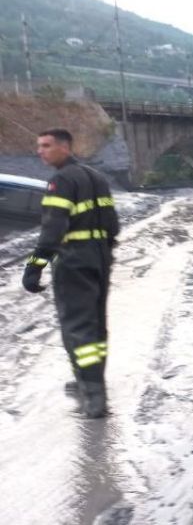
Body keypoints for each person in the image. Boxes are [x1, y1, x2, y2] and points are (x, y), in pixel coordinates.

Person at [22, 128, 119, 418]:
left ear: (65, 147)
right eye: (39, 146)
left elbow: (52, 230)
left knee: (78, 326)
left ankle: (93, 395)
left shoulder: (61, 181)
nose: (40, 151)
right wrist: (104, 251)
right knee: (96, 323)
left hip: (73, 259)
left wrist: (34, 267)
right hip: (99, 257)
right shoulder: (97, 177)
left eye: (46, 145)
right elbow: (112, 224)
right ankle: (90, 382)